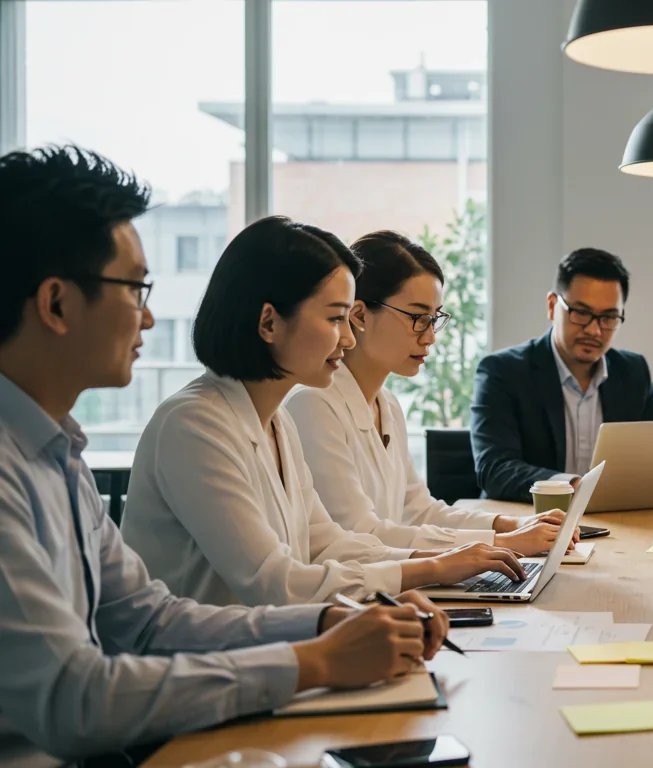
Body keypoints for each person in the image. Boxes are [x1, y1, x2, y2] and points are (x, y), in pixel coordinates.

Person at [0, 146, 449, 767]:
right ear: (55, 304)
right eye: (134, 290)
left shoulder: (59, 453)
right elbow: (72, 700)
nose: (150, 317)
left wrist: (324, 625)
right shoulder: (178, 425)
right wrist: (313, 658)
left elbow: (150, 621)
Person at [122, 216, 527, 607]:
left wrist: (440, 564)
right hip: (203, 665)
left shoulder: (277, 421)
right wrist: (434, 566)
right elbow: (275, 583)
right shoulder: (195, 425)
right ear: (268, 322)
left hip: (266, 650)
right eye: (337, 318)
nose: (349, 338)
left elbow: (327, 544)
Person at [286, 231, 577, 556]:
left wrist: (508, 525)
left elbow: (420, 510)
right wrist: (502, 544)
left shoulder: (388, 405)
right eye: (417, 318)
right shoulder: (313, 405)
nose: (429, 338)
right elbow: (361, 533)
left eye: (433, 319)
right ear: (359, 315)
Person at [471, 247, 653, 501]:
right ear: (552, 306)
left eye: (608, 317)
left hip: (612, 523)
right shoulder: (502, 372)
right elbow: (494, 468)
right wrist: (572, 486)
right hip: (527, 524)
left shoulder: (632, 372)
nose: (594, 330)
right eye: (582, 313)